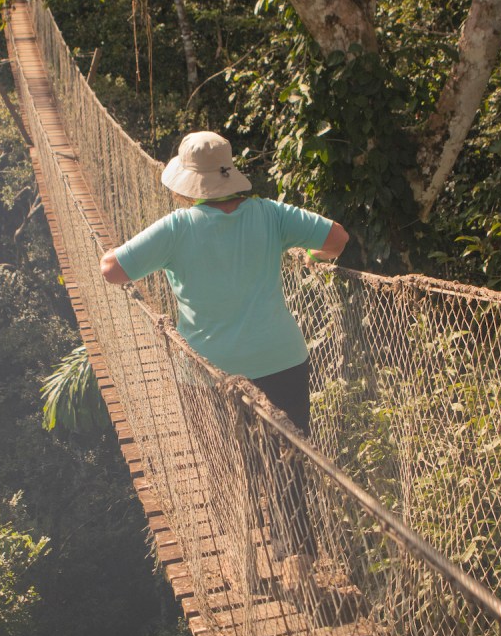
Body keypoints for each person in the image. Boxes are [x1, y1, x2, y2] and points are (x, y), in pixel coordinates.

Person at [100, 130, 348, 604]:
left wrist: (113, 253)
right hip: (281, 359)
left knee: (226, 464)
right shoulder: (272, 214)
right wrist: (312, 259)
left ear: (188, 184)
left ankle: (244, 561)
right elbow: (336, 239)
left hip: (208, 372)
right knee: (288, 461)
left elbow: (112, 270)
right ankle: (300, 568)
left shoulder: (176, 228)